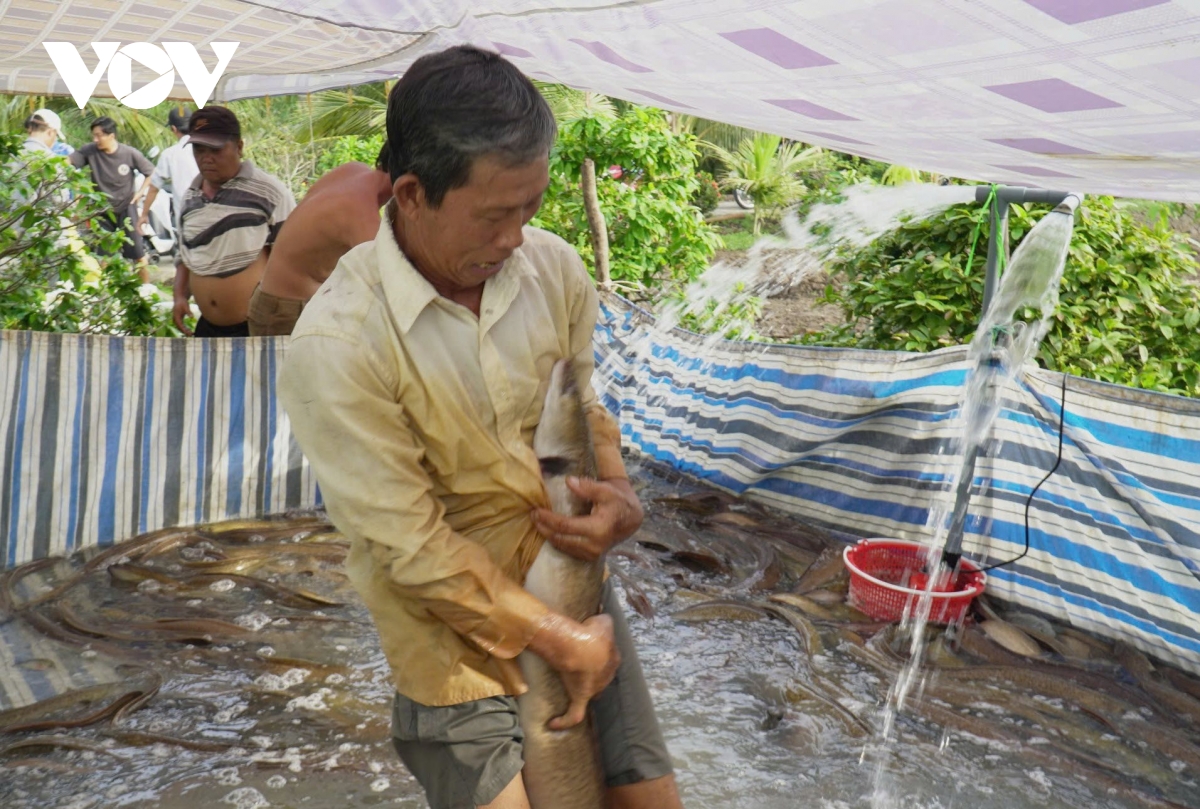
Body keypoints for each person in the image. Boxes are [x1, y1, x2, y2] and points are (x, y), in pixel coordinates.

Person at [278, 46, 683, 809]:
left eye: (529, 209)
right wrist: (558, 639)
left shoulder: (554, 270)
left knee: (648, 797)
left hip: (572, 587)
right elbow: (412, 550)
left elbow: (583, 406)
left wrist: (619, 495)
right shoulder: (340, 344)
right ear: (411, 193)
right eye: (495, 216)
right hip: (447, 638)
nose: (514, 239)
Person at [172, 105, 296, 338]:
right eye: (199, 149)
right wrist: (179, 296)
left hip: (256, 327)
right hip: (208, 327)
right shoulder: (190, 196)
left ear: (239, 147)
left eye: (215, 150)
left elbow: (293, 259)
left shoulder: (270, 193)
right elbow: (183, 255)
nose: (206, 158)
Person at [248, 149, 392, 336]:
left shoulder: (352, 170)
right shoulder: (360, 212)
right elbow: (388, 284)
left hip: (280, 303)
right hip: (283, 312)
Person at [68, 116, 155, 282]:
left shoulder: (129, 153)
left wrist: (140, 193)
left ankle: (146, 291)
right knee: (103, 257)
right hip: (102, 210)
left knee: (138, 254)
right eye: (94, 135)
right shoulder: (90, 151)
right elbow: (69, 162)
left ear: (111, 136)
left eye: (99, 135)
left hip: (126, 209)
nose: (96, 139)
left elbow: (151, 173)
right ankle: (102, 294)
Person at [137, 106, 197, 236]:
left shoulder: (170, 154)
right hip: (212, 214)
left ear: (174, 129)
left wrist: (144, 214)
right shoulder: (209, 148)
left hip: (186, 217)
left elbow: (154, 188)